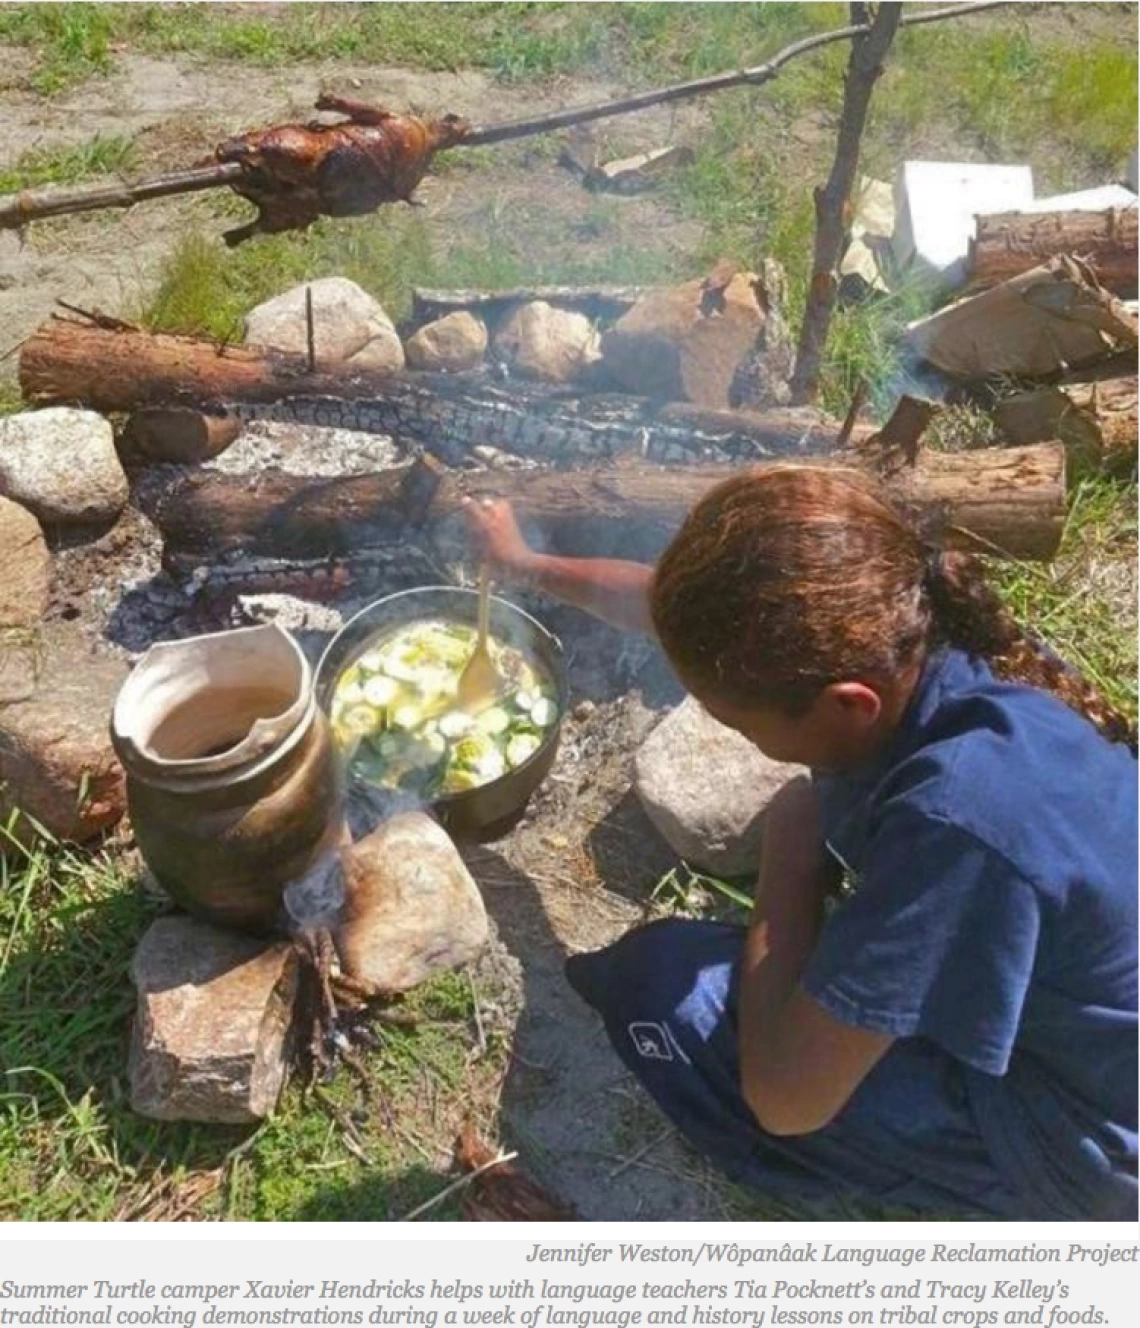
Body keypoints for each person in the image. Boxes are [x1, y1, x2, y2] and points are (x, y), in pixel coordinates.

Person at [463, 465, 1138, 1222]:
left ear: (849, 706)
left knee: (659, 986)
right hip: (1096, 1031)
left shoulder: (956, 829)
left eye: (745, 727)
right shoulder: (921, 631)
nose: (742, 739)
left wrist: (792, 850)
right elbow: (669, 610)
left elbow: (788, 1098)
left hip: (1086, 1141)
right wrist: (524, 564)